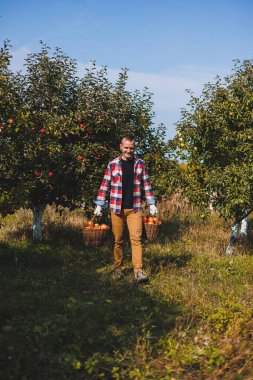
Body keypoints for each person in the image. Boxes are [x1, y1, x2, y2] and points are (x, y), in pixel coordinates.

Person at [94, 134, 157, 283]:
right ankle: (118, 268)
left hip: (134, 209)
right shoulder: (113, 164)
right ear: (121, 147)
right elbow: (105, 185)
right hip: (116, 209)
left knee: (136, 239)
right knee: (118, 240)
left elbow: (146, 185)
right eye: (126, 148)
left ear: (134, 148)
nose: (129, 151)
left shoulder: (140, 164)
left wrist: (151, 202)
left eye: (131, 148)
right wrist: (99, 204)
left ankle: (138, 271)